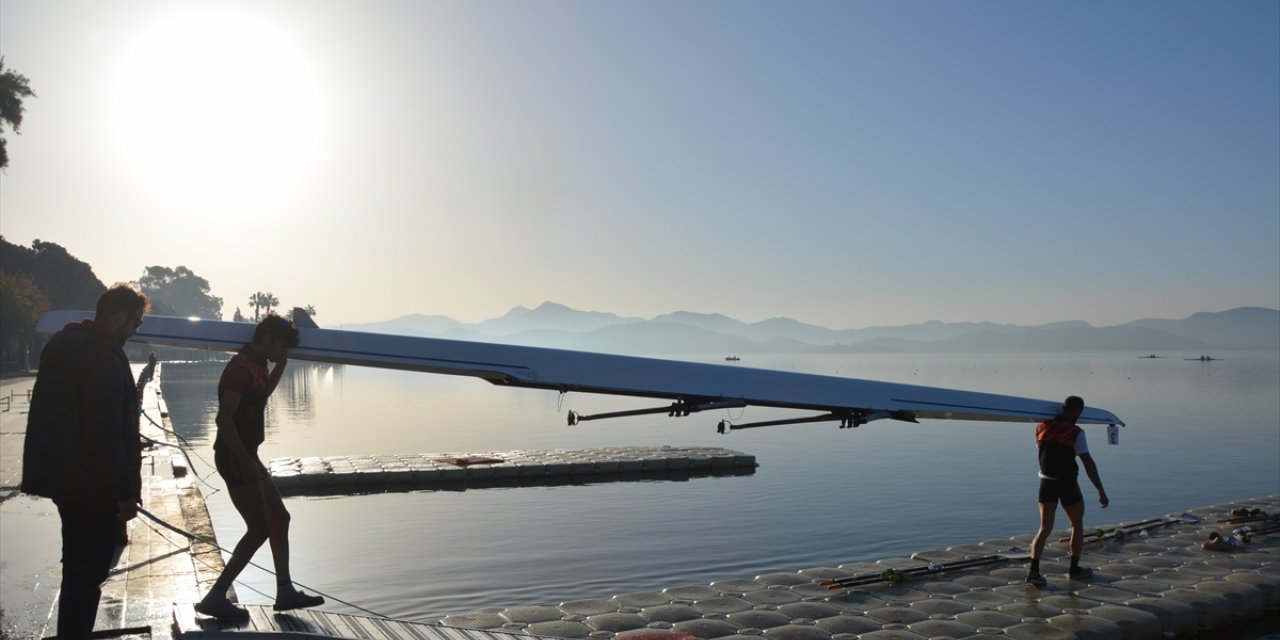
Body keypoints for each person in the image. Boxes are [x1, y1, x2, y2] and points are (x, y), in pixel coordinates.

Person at [22, 285, 149, 640]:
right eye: (135, 323)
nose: (135, 331)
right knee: (88, 574)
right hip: (91, 485)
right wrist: (124, 493)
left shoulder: (66, 347)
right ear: (119, 316)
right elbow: (105, 434)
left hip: (65, 477)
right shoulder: (101, 358)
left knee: (77, 569)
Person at [195, 314, 324, 621]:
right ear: (266, 340)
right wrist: (242, 459)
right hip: (234, 457)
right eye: (281, 347)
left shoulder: (257, 366)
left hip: (247, 455)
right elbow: (224, 420)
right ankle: (215, 596)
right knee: (260, 528)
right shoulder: (240, 370)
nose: (283, 351)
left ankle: (284, 591)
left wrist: (282, 363)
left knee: (279, 518)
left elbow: (263, 394)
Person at [1026, 395, 1109, 587]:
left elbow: (1043, 450)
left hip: (1046, 482)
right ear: (1077, 412)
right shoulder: (1076, 433)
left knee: (1045, 528)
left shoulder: (1041, 428)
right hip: (1067, 483)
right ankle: (1074, 570)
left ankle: (1033, 572)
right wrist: (1101, 491)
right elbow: (1088, 463)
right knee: (1077, 524)